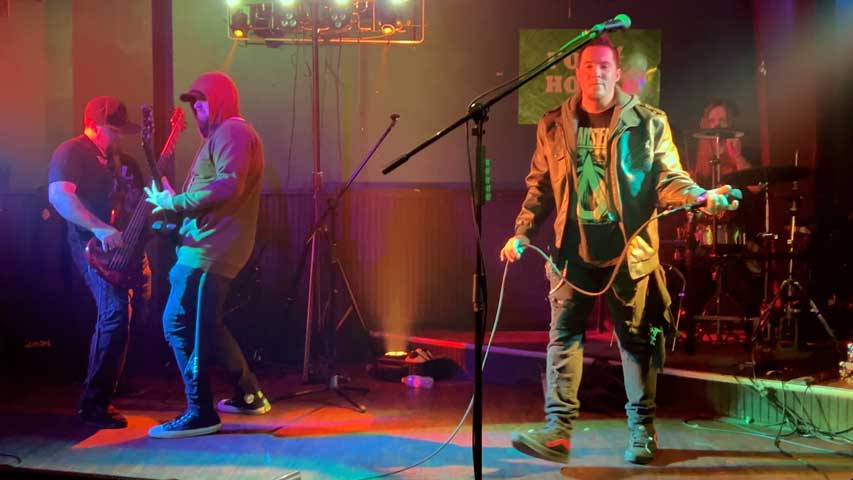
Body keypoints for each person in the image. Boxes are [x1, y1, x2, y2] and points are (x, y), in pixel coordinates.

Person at [500, 35, 740, 465]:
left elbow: (669, 178)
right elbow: (539, 188)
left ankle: (642, 432)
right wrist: (521, 232)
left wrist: (701, 197)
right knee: (563, 338)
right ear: (577, 72)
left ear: (617, 72)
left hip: (629, 252)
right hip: (571, 251)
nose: (597, 73)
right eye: (589, 66)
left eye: (605, 66)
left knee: (636, 342)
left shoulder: (649, 122)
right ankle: (557, 433)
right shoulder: (553, 124)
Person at [144, 71, 270, 439]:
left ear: (219, 101)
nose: (196, 108)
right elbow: (218, 185)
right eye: (192, 103)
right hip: (210, 248)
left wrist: (177, 202)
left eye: (201, 101)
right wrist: (174, 198)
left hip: (208, 252)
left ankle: (200, 412)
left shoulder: (232, 131)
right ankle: (248, 394)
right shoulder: (227, 135)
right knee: (208, 327)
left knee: (177, 323)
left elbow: (230, 184)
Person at [48, 96, 151, 429]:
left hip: (125, 247)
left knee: (137, 306)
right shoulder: (72, 151)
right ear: (92, 124)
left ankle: (113, 379)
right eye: (113, 129)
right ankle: (93, 402)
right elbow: (59, 196)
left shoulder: (120, 161)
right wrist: (99, 227)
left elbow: (136, 202)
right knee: (114, 313)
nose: (118, 136)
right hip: (92, 247)